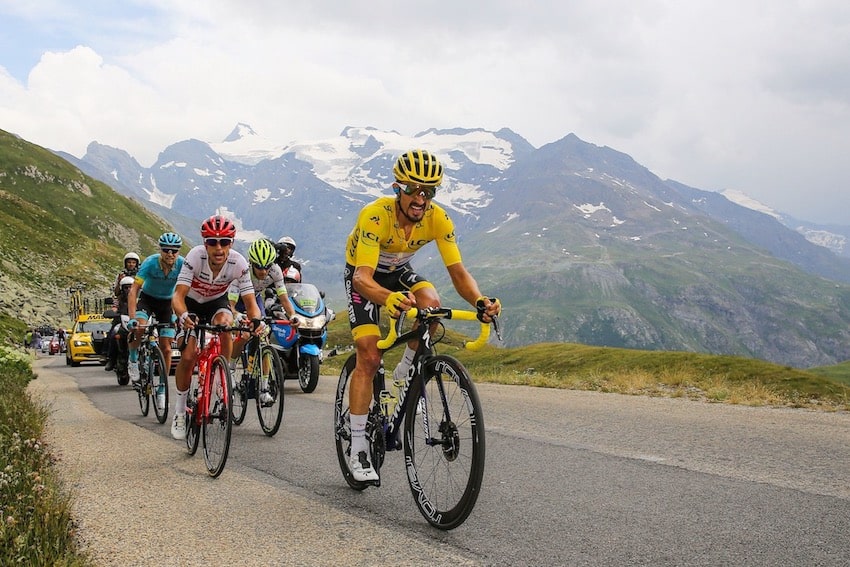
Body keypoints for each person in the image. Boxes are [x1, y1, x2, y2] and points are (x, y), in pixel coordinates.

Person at [343, 149, 501, 482]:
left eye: (429, 191)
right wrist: (389, 299)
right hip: (365, 274)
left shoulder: (438, 218)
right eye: (413, 188)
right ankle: (358, 446)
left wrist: (480, 301)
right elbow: (362, 278)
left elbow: (458, 272)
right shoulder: (375, 215)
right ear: (397, 188)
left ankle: (404, 372)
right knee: (369, 356)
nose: (420, 198)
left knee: (431, 304)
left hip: (399, 269)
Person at [170, 215, 265, 440]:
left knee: (225, 324)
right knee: (189, 354)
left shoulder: (239, 263)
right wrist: (183, 315)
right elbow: (177, 296)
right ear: (205, 244)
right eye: (212, 242)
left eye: (224, 242)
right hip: (191, 303)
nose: (219, 248)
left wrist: (256, 322)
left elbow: (251, 304)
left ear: (231, 243)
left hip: (216, 302)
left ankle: (224, 377)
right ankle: (180, 411)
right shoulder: (195, 257)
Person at [228, 238, 300, 404]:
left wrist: (293, 316)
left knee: (264, 338)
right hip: (237, 298)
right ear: (251, 263)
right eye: (259, 267)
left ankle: (264, 388)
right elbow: (230, 305)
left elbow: (284, 298)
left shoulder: (275, 270)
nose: (263, 271)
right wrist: (237, 316)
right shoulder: (241, 272)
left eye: (267, 266)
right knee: (244, 335)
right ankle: (231, 369)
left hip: (255, 298)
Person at [125, 232, 185, 388]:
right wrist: (132, 318)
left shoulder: (182, 265)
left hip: (167, 304)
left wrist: (180, 314)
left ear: (179, 251)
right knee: (139, 327)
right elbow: (134, 290)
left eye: (174, 250)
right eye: (166, 250)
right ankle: (132, 359)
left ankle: (163, 388)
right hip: (148, 300)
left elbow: (185, 292)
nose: (170, 254)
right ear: (160, 250)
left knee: (166, 348)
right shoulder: (150, 263)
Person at [104, 276, 134, 373]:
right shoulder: (118, 300)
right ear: (122, 288)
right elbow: (114, 308)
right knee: (113, 335)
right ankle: (111, 359)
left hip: (135, 323)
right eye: (126, 287)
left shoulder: (139, 299)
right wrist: (114, 312)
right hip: (120, 322)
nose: (129, 289)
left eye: (131, 287)